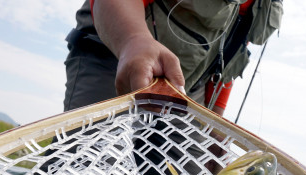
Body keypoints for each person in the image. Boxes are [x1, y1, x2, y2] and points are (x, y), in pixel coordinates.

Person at [64, 0, 283, 116]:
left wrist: (216, 126)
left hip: (186, 88)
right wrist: (132, 39)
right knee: (88, 174)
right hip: (115, 55)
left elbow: (231, 54)